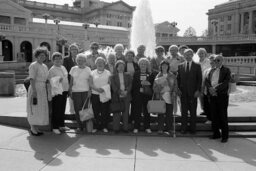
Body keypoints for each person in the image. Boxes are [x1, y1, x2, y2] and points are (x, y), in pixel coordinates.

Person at [205, 55, 231, 143]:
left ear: (222, 61)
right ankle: (216, 134)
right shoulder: (211, 70)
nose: (216, 62)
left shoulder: (226, 70)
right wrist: (210, 89)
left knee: (223, 116)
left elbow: (226, 82)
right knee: (214, 115)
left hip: (222, 96)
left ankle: (225, 136)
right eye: (215, 60)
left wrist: (215, 89)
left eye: (218, 60)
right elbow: (207, 81)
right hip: (212, 96)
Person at [177, 49, 202, 134]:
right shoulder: (180, 66)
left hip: (193, 93)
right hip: (183, 93)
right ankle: (183, 128)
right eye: (186, 54)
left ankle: (193, 129)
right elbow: (178, 79)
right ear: (184, 56)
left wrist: (198, 90)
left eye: (189, 54)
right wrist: (178, 90)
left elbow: (199, 80)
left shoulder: (197, 66)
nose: (188, 56)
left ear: (192, 55)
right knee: (183, 112)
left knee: (193, 111)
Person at [27, 47, 50, 136]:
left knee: (40, 108)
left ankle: (36, 127)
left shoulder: (44, 66)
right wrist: (34, 91)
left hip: (42, 88)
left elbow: (46, 78)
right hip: (35, 87)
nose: (43, 57)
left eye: (44, 55)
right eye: (40, 55)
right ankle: (32, 127)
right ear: (37, 56)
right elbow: (32, 78)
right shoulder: (33, 65)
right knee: (34, 107)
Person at [153, 60, 177, 134]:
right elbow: (154, 88)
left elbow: (176, 85)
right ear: (160, 67)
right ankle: (160, 128)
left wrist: (174, 92)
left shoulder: (172, 75)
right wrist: (160, 87)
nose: (164, 67)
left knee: (169, 114)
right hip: (161, 97)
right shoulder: (158, 75)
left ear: (168, 67)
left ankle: (169, 128)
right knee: (160, 114)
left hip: (170, 96)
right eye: (163, 66)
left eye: (166, 66)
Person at [69, 53, 92, 132]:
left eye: (82, 60)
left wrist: (90, 90)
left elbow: (90, 81)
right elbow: (71, 81)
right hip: (76, 91)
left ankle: (85, 126)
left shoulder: (88, 69)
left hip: (85, 91)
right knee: (77, 109)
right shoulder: (73, 69)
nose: (80, 62)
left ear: (85, 61)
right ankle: (79, 126)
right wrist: (70, 90)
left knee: (85, 109)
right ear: (76, 61)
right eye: (78, 60)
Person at [48, 52, 70, 134]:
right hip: (57, 92)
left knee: (62, 108)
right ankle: (55, 127)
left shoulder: (63, 67)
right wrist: (57, 79)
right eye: (56, 59)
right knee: (56, 109)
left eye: (59, 58)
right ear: (53, 60)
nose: (58, 60)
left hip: (64, 90)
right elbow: (50, 81)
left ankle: (61, 125)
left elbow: (65, 78)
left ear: (62, 60)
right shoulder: (52, 69)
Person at [132, 58, 155, 134]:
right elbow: (134, 85)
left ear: (147, 65)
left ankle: (147, 127)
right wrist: (140, 86)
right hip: (138, 95)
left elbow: (153, 85)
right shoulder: (136, 73)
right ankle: (136, 127)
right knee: (137, 111)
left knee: (147, 112)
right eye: (141, 64)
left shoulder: (151, 74)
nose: (143, 65)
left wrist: (148, 84)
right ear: (139, 65)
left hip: (147, 95)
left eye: (144, 64)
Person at [89, 57, 111, 133]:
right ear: (96, 63)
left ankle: (104, 126)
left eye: (101, 62)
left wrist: (103, 89)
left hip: (104, 94)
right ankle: (96, 126)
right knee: (96, 111)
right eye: (98, 62)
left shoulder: (108, 72)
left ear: (104, 64)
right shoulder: (92, 72)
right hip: (95, 94)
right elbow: (90, 83)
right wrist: (97, 89)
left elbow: (109, 83)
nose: (100, 64)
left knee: (105, 111)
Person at [111, 60, 132, 133]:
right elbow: (113, 86)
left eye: (122, 66)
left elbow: (130, 84)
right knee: (116, 112)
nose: (121, 68)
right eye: (119, 67)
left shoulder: (128, 75)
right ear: (116, 68)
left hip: (126, 95)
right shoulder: (113, 76)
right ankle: (116, 128)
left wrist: (126, 91)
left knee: (126, 113)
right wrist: (120, 92)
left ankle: (125, 128)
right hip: (117, 96)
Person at [196, 48, 211, 122]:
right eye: (199, 53)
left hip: (206, 82)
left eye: (202, 53)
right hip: (198, 82)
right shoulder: (196, 62)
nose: (201, 54)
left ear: (205, 54)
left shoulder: (208, 61)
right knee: (200, 97)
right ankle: (203, 109)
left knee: (206, 97)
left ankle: (208, 111)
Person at [63, 43, 79, 115]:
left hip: (79, 82)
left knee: (78, 97)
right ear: (70, 50)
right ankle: (72, 112)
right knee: (71, 96)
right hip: (70, 81)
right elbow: (65, 71)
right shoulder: (66, 59)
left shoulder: (80, 58)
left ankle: (78, 111)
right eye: (72, 49)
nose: (74, 51)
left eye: (75, 49)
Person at [202, 55, 216, 124]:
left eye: (213, 61)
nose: (212, 62)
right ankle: (209, 118)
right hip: (207, 92)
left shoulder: (220, 70)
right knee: (207, 106)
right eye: (210, 61)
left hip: (216, 92)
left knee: (215, 107)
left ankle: (215, 120)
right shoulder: (206, 71)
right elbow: (204, 81)